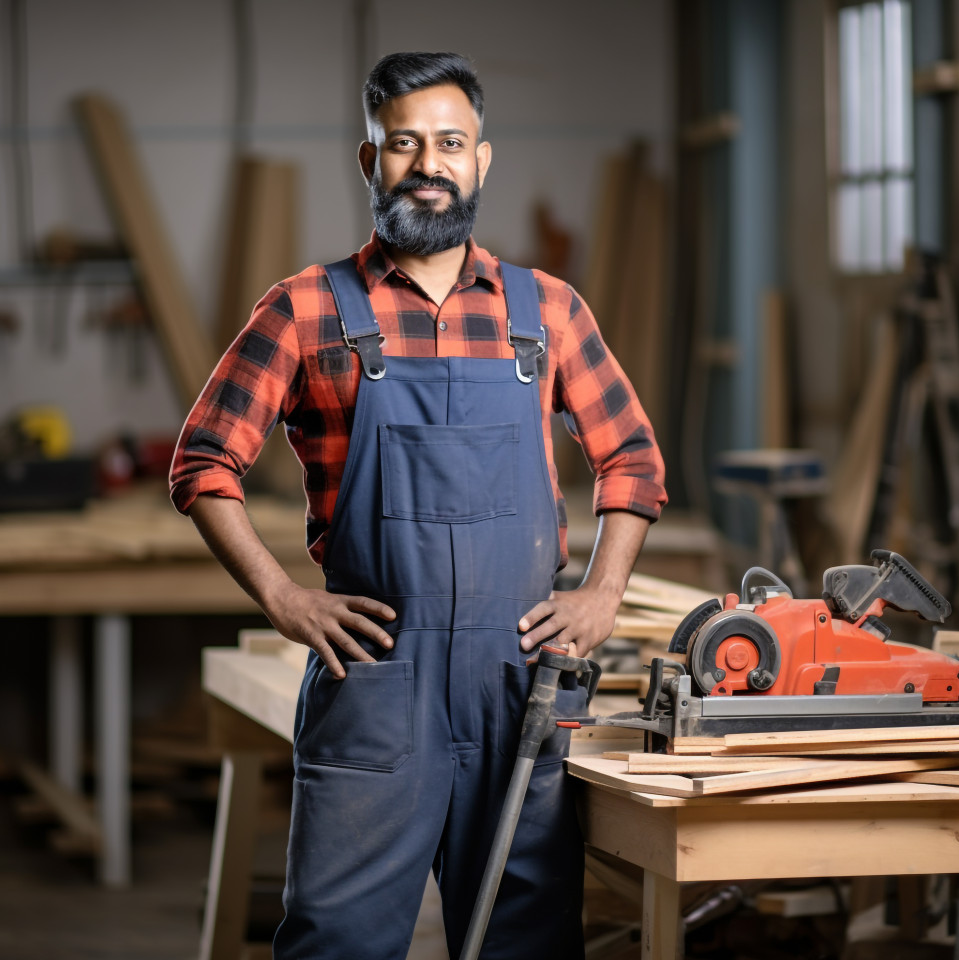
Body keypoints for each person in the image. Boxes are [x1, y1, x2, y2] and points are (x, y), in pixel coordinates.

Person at [170, 51, 666, 960]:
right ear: (371, 162)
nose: (428, 163)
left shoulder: (546, 312)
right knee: (337, 941)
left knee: (524, 937)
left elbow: (631, 458)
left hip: (517, 676)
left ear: (481, 159)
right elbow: (204, 460)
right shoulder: (307, 309)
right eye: (404, 143)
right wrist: (284, 598)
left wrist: (601, 596)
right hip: (375, 680)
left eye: (450, 142)